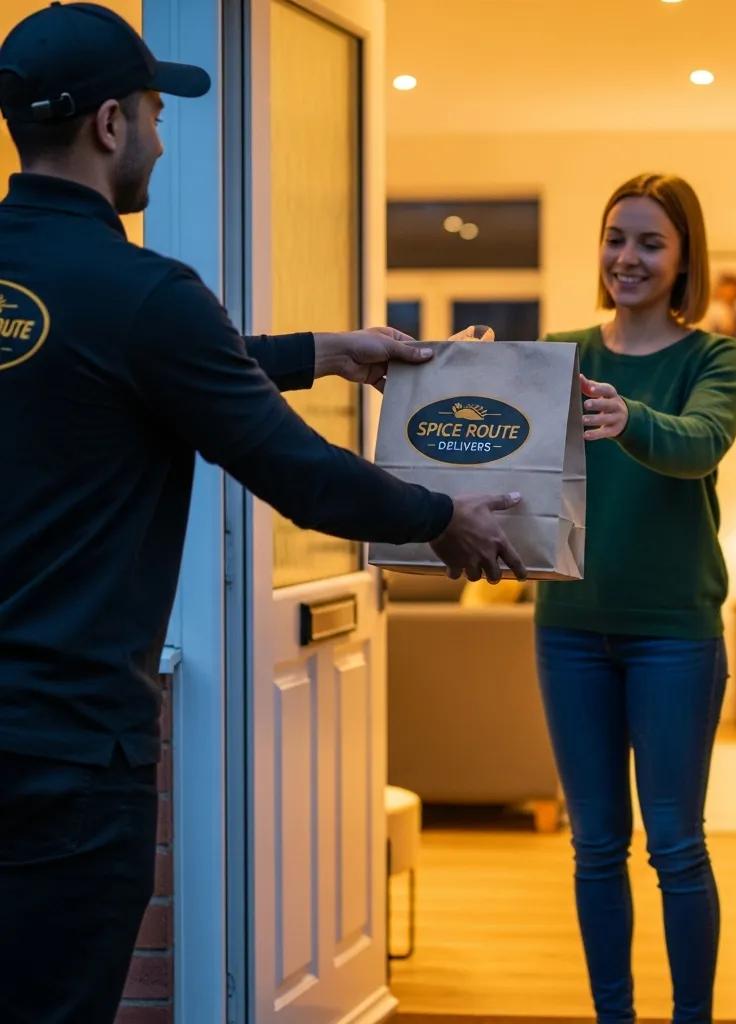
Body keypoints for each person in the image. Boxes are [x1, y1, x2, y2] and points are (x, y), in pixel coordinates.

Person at [0, 5, 524, 1022]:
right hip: (66, 756)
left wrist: (323, 351)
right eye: (154, 110)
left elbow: (138, 373)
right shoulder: (144, 293)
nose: (159, 133)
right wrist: (441, 513)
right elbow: (298, 473)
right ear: (110, 125)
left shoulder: (125, 308)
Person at [535, 173, 736, 1024]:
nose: (628, 256)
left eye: (651, 242)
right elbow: (509, 454)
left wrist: (632, 419)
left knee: (676, 846)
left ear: (684, 256)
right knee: (593, 848)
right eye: (616, 237)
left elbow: (702, 444)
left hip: (674, 636)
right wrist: (474, 368)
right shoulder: (562, 351)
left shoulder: (713, 357)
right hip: (569, 632)